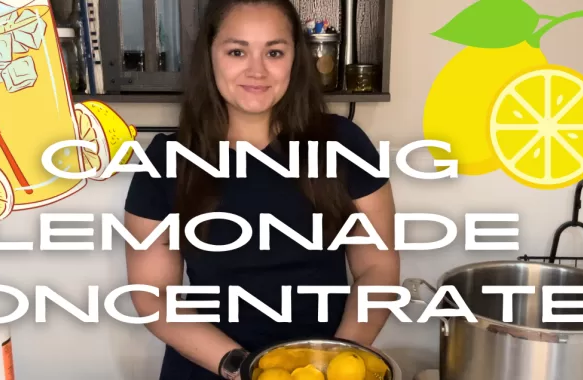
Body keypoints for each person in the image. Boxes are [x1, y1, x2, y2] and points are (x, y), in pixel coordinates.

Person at [122, 0, 399, 379]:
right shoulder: (167, 160)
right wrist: (244, 367)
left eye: (274, 52)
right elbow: (154, 294)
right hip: (210, 366)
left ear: (294, 60)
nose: (257, 70)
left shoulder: (344, 142)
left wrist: (334, 362)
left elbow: (377, 266)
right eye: (237, 51)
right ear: (211, 57)